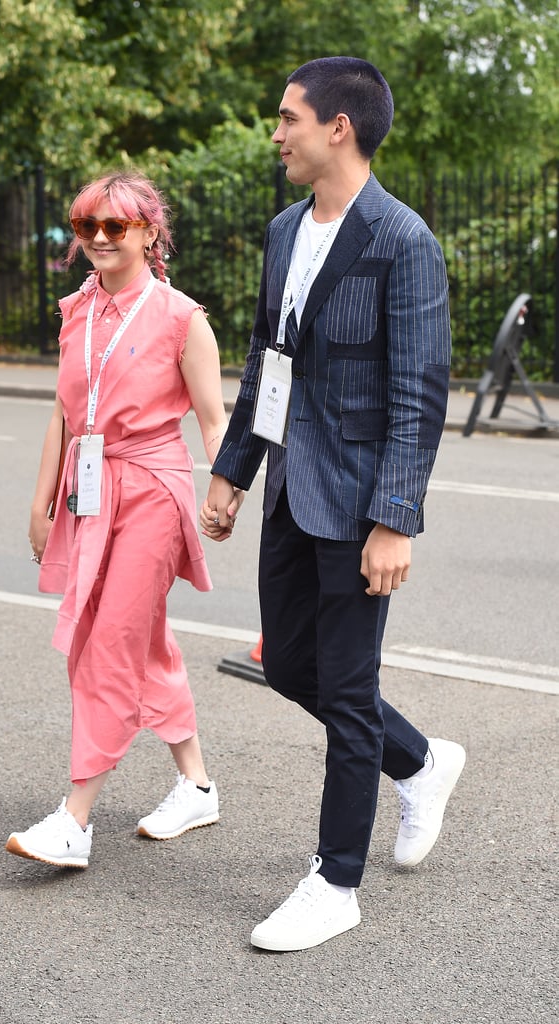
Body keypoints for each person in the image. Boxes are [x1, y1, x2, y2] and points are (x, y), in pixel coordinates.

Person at [201, 56, 466, 952]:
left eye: (287, 118)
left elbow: (418, 395)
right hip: (289, 488)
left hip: (358, 504)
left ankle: (334, 882)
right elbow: (265, 359)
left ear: (336, 128)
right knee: (288, 667)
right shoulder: (284, 229)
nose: (275, 133)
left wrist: (394, 518)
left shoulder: (400, 239)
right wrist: (233, 470)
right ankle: (421, 762)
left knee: (347, 690)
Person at [6, 171, 228, 868]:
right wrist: (42, 501)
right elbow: (65, 414)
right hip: (91, 487)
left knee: (107, 641)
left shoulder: (181, 317)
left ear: (149, 233)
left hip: (153, 490)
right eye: (86, 227)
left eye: (115, 227)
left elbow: (214, 419)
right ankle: (195, 784)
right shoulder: (76, 309)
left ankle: (75, 819)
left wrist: (223, 490)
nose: (99, 239)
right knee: (144, 637)